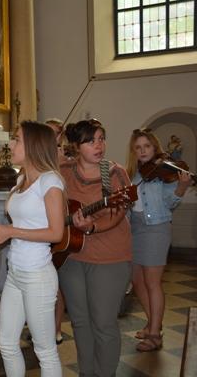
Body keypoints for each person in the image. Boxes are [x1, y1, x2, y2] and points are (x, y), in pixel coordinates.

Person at [0, 120, 64, 377]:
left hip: (38, 275)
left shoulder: (50, 182)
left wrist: (9, 232)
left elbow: (56, 233)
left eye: (17, 139)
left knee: (45, 350)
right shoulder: (22, 179)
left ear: (33, 145)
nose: (11, 144)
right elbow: (24, 224)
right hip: (16, 272)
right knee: (7, 343)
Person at [58, 119, 132, 376]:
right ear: (76, 146)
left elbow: (118, 213)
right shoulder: (63, 171)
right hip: (71, 255)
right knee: (80, 322)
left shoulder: (114, 173)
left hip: (110, 256)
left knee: (103, 322)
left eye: (101, 139)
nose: (98, 145)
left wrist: (92, 227)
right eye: (90, 141)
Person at [126, 128, 192, 352]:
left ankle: (154, 334)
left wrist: (181, 187)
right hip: (135, 229)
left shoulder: (166, 171)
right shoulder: (133, 174)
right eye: (138, 147)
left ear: (154, 148)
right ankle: (154, 322)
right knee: (137, 280)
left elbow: (170, 203)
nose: (143, 151)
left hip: (156, 228)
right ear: (133, 151)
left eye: (147, 146)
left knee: (152, 282)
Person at [45, 117, 67, 345]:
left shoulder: (65, 161)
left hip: (60, 229)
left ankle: (57, 327)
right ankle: (43, 327)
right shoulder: (39, 160)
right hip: (42, 228)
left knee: (57, 284)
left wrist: (61, 164)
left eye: (55, 133)